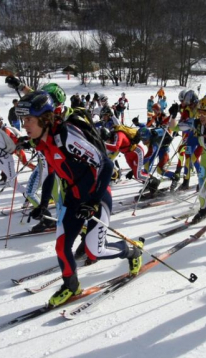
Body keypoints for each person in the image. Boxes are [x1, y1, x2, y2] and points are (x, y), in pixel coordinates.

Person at [15, 91, 143, 307]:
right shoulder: (44, 143)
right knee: (61, 247)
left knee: (96, 251)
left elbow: (106, 165)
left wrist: (92, 202)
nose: (24, 125)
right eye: (23, 120)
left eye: (29, 119)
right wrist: (44, 204)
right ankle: (71, 286)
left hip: (97, 196)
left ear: (44, 119)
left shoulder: (67, 137)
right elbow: (52, 175)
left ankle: (133, 250)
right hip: (72, 199)